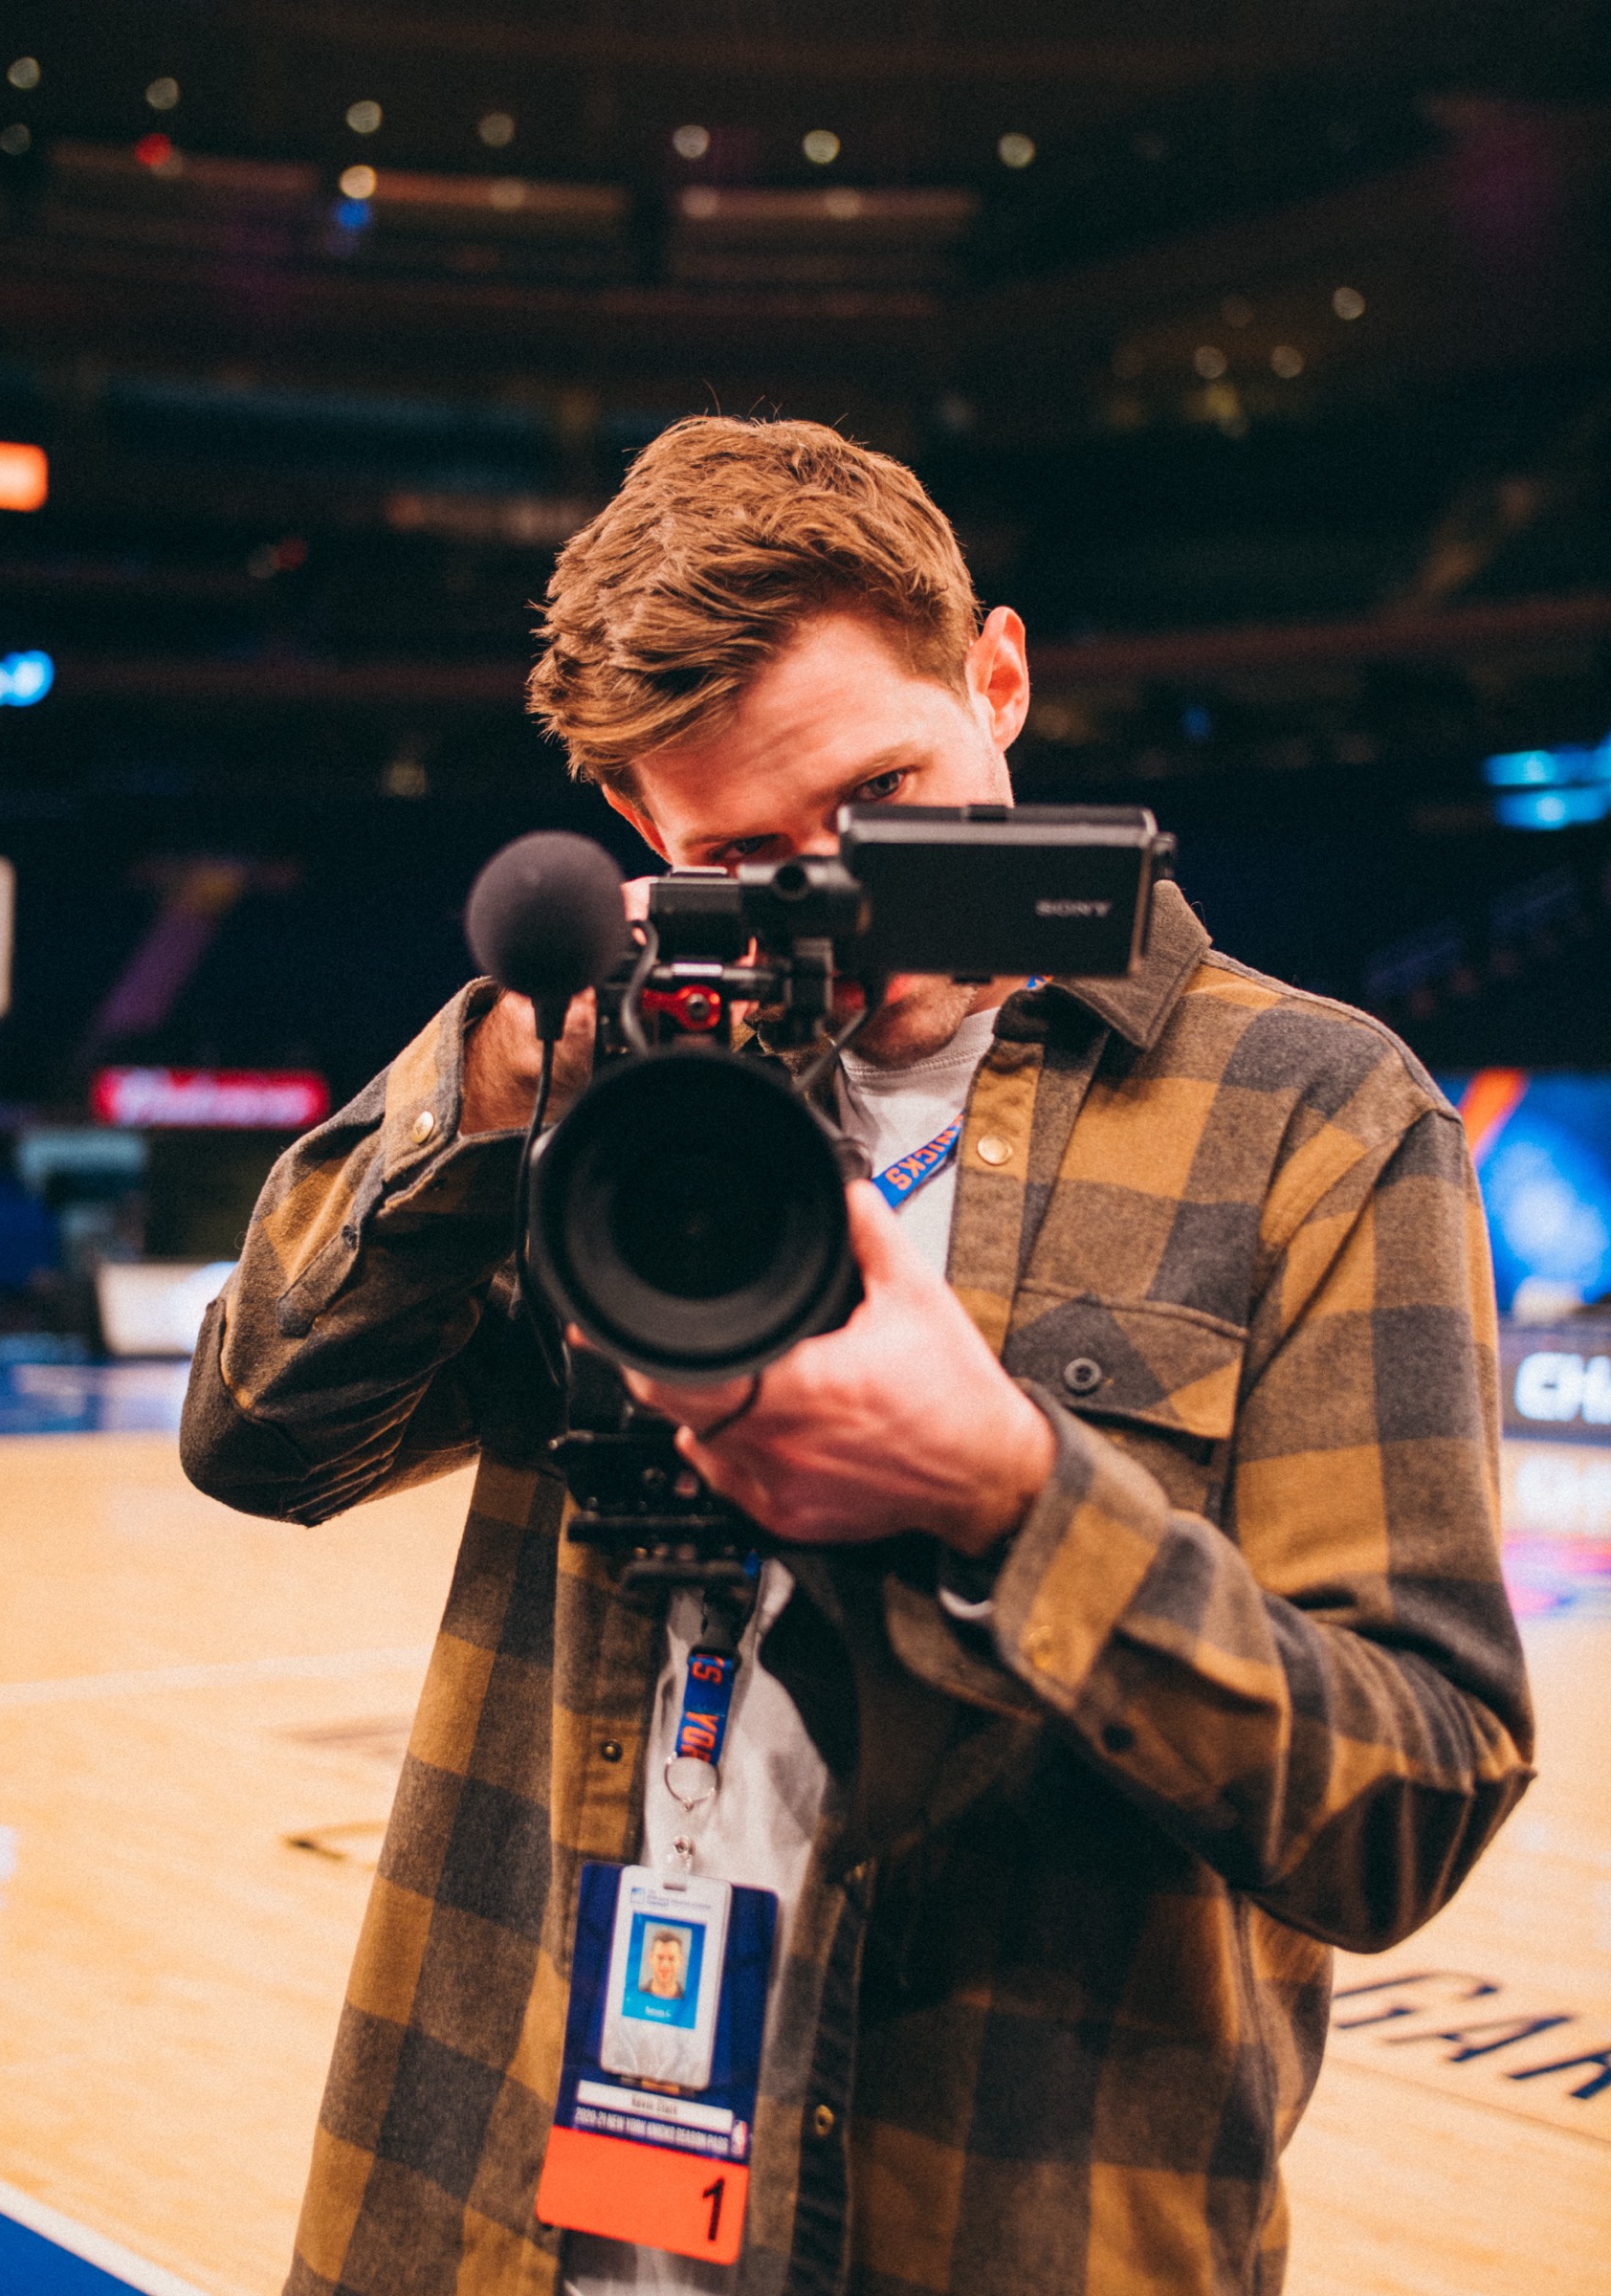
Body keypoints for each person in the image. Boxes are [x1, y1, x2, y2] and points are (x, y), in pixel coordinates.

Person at [181, 417, 1534, 2296]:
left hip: (1000, 2216)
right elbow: (257, 1434)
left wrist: (1013, 1494)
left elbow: (1420, 1791)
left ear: (999, 675)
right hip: (519, 2196)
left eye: (886, 794)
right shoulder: (608, 1095)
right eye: (750, 850)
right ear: (651, 836)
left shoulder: (1316, 1120)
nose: (850, 892)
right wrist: (487, 1087)